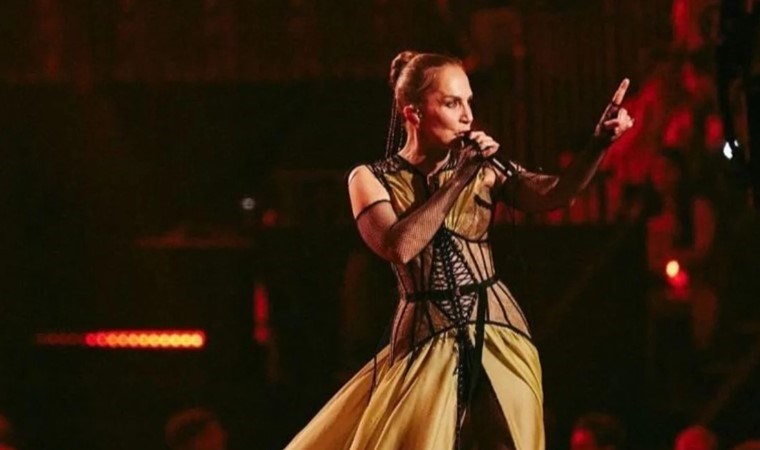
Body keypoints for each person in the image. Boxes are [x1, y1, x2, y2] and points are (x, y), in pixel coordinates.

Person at [285, 51, 633, 450]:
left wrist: (599, 143)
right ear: (413, 113)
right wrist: (459, 178)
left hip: (499, 334)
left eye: (469, 101)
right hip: (423, 343)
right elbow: (399, 246)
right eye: (452, 103)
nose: (468, 115)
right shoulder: (369, 178)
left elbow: (556, 194)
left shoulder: (485, 167)